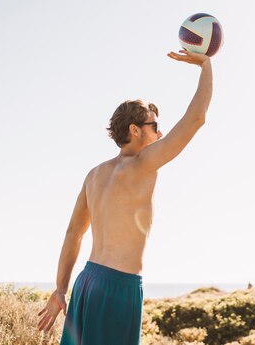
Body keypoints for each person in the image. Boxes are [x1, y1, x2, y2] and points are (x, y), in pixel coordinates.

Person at [36, 50, 213, 345]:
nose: (160, 133)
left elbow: (73, 234)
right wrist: (206, 65)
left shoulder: (94, 175)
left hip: (86, 282)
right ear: (134, 130)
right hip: (119, 286)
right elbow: (196, 118)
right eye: (154, 126)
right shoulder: (144, 163)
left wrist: (60, 289)